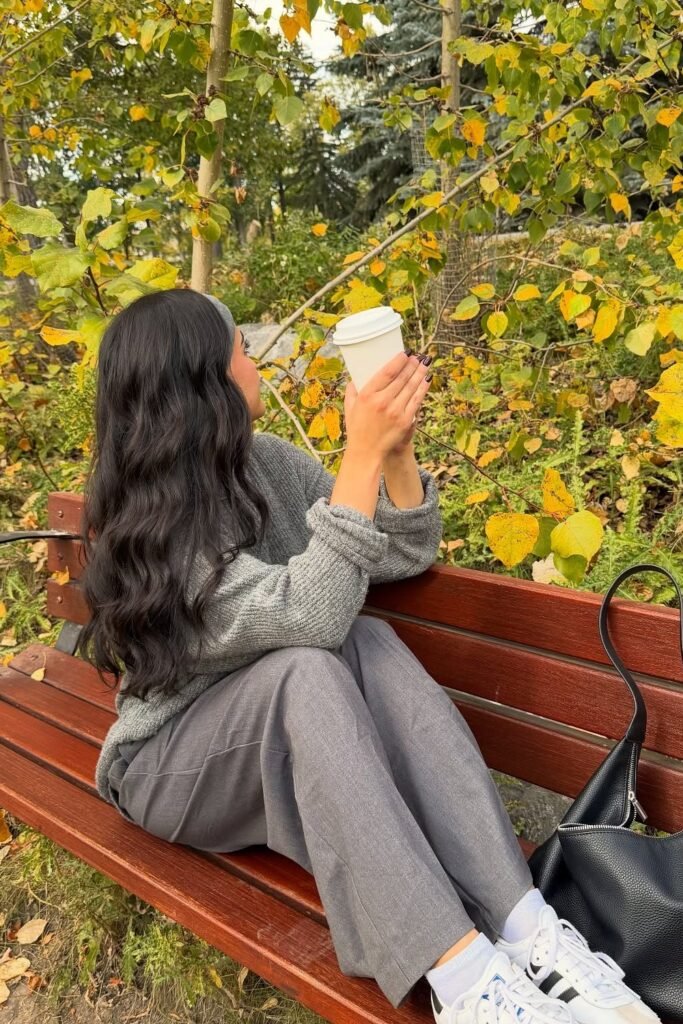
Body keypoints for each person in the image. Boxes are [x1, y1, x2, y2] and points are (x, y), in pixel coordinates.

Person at [77, 288, 659, 1024]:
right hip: (170, 768)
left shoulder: (264, 463)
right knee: (308, 664)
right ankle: (466, 981)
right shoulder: (156, 526)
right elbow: (311, 614)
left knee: (367, 638)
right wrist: (357, 454)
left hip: (277, 745)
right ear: (205, 382)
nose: (256, 365)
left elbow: (400, 552)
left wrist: (393, 450)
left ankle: (527, 927)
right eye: (243, 352)